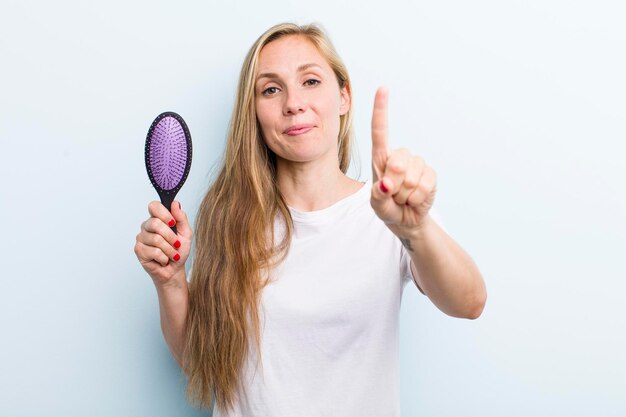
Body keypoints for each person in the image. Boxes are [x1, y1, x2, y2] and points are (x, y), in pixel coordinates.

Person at [134, 22, 486, 417]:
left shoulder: (391, 211)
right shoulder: (228, 217)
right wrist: (171, 283)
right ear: (254, 113)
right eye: (271, 89)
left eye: (311, 81)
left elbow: (470, 302)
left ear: (344, 97)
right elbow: (202, 363)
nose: (293, 103)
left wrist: (415, 229)